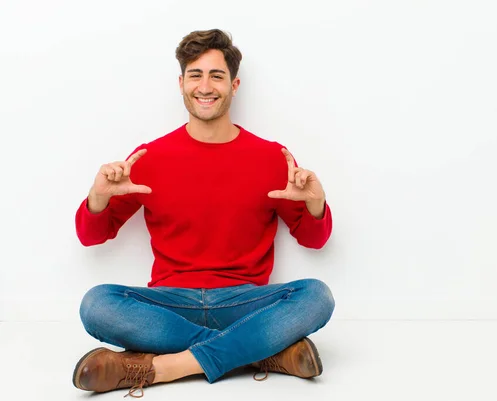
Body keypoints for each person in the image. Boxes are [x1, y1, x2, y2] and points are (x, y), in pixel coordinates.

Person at [72, 29, 335, 398]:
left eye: (217, 75)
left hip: (243, 301)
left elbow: (315, 239)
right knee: (96, 304)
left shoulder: (272, 157)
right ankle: (259, 354)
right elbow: (90, 236)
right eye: (195, 74)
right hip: (171, 304)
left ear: (234, 84)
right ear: (181, 83)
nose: (205, 86)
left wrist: (315, 205)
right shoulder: (150, 157)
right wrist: (97, 198)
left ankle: (164, 368)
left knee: (318, 295)